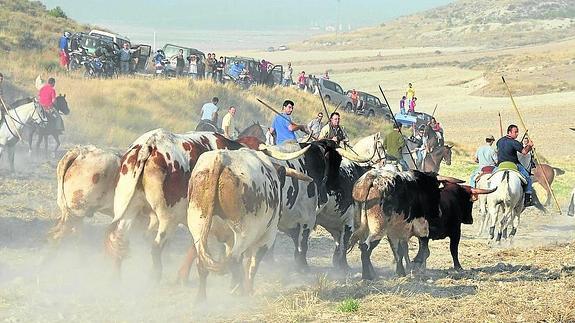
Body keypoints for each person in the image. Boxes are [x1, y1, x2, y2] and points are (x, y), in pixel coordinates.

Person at [496, 124, 534, 206]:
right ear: (509, 132)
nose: (517, 134)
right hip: (513, 164)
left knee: (491, 176)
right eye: (515, 132)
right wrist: (529, 146)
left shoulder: (499, 141)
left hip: (500, 165)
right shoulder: (514, 142)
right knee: (528, 177)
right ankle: (528, 198)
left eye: (517, 132)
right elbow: (524, 152)